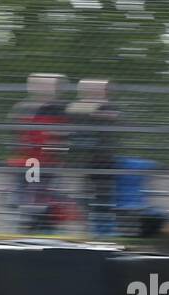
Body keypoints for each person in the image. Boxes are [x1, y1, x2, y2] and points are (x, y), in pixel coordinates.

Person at [7, 73, 69, 232]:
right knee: (29, 191)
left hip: (46, 160)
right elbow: (16, 132)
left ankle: (38, 223)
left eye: (47, 85)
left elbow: (63, 135)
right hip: (29, 160)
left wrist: (58, 147)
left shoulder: (59, 108)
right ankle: (29, 222)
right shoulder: (24, 106)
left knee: (38, 191)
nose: (43, 88)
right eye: (39, 84)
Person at [66, 79, 119, 238]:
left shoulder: (109, 105)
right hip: (82, 160)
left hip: (104, 160)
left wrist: (95, 112)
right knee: (83, 198)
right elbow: (72, 112)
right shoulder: (76, 105)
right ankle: (86, 232)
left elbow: (114, 116)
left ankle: (103, 233)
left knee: (103, 198)